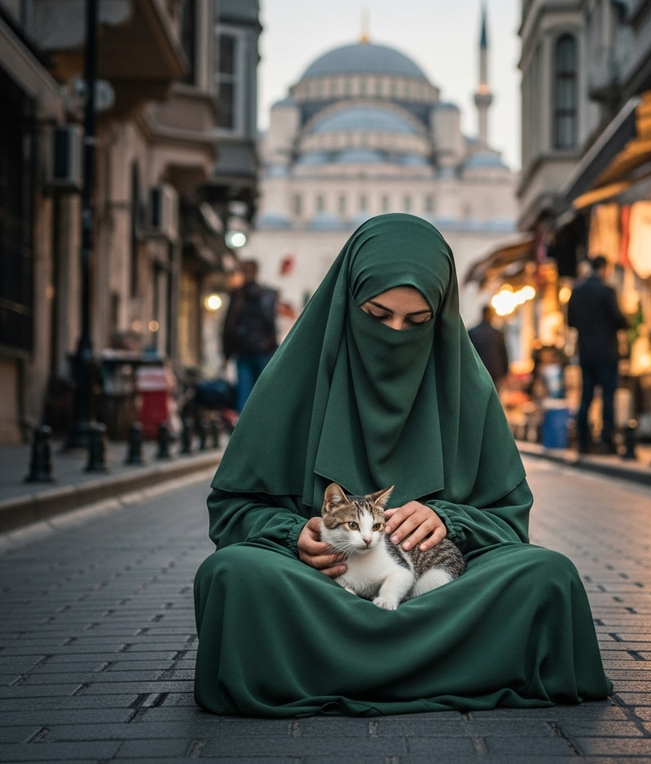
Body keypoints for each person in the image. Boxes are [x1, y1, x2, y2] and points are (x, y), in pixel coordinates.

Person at [194, 214, 612, 717]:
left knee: (549, 576)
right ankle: (450, 666)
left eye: (417, 322)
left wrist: (449, 518)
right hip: (320, 587)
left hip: (437, 590)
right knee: (233, 574)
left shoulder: (468, 388)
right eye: (376, 315)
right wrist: (292, 536)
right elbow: (234, 510)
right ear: (347, 303)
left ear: (441, 314)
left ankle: (330, 665)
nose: (395, 334)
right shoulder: (294, 381)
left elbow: (508, 520)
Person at [566, 255, 628, 454]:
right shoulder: (606, 291)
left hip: (586, 353)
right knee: (608, 397)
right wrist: (627, 321)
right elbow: (617, 318)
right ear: (604, 268)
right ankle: (606, 441)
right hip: (607, 352)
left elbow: (571, 321)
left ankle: (583, 441)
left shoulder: (577, 291)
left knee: (587, 396)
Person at [222, 259, 279, 413]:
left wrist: (227, 353)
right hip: (253, 351)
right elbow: (229, 326)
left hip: (254, 351)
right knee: (258, 393)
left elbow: (229, 325)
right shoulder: (262, 295)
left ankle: (250, 431)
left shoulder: (240, 296)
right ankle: (257, 429)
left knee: (250, 394)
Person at [468, 304, 509, 390]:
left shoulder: (472, 332)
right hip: (495, 371)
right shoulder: (497, 333)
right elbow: (503, 354)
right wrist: (505, 372)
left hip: (478, 370)